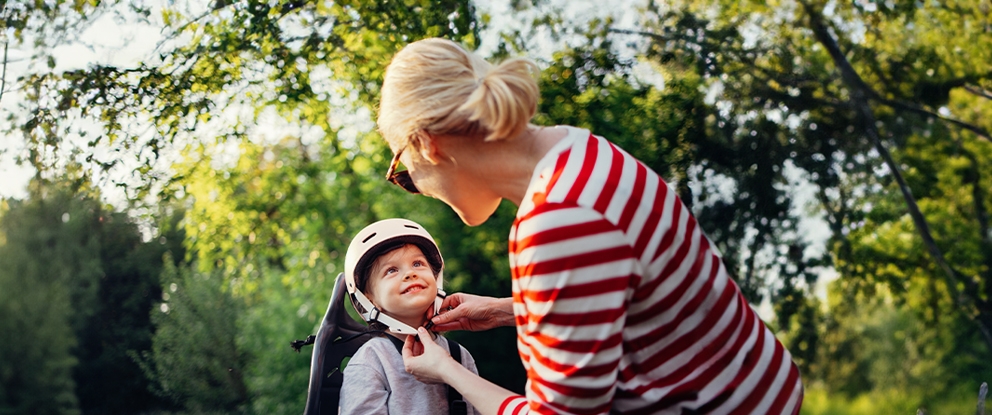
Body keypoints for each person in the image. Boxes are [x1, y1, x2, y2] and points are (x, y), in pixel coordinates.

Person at [376, 37, 804, 414]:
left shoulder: (556, 222)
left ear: (427, 145)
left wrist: (448, 371)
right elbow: (640, 294)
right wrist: (511, 311)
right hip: (756, 386)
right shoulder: (577, 149)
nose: (415, 188)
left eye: (403, 171)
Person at [339, 218, 479, 415]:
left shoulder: (459, 355)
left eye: (417, 263)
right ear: (370, 299)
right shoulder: (370, 362)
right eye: (391, 270)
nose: (410, 273)